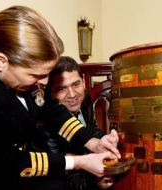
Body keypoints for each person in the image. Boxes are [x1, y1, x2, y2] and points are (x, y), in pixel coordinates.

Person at [0, 5, 120, 190]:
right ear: (0, 62)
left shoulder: (14, 57)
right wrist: (80, 162)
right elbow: (6, 161)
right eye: (36, 75)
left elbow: (51, 109)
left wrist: (93, 142)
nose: (45, 82)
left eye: (48, 73)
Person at [43, 56, 115, 190]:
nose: (72, 95)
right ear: (51, 93)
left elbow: (92, 130)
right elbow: (58, 175)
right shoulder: (45, 121)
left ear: (83, 81)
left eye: (76, 84)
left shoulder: (84, 98)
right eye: (61, 89)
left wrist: (106, 141)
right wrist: (94, 181)